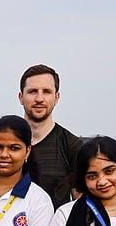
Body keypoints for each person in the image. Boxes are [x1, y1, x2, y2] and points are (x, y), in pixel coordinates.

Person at [17, 64, 83, 208]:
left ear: (57, 97)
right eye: (32, 91)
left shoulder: (72, 146)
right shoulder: (5, 143)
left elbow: (80, 202)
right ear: (21, 97)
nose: (39, 98)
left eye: (46, 91)